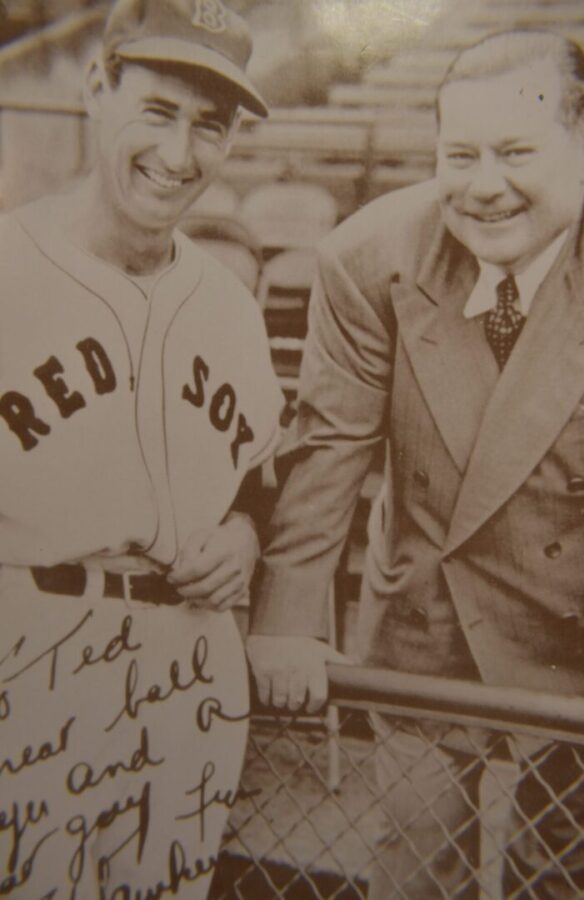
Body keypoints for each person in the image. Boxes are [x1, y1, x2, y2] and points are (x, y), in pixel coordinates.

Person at [247, 29, 584, 897]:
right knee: (411, 879)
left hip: (581, 643)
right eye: (460, 154)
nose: (484, 186)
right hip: (426, 627)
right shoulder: (369, 258)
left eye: (516, 152)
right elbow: (330, 445)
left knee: (563, 880)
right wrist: (289, 623)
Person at [0, 0, 282, 896]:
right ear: (96, 85)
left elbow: (257, 480)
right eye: (158, 111)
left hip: (189, 668)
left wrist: (242, 536)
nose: (180, 154)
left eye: (211, 127)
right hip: (34, 645)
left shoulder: (231, 307)